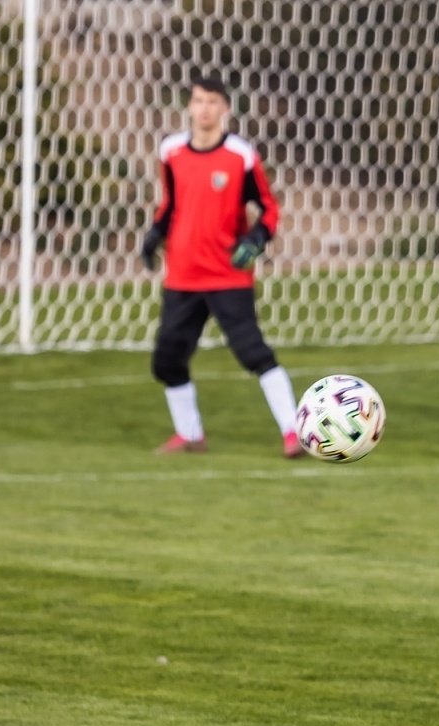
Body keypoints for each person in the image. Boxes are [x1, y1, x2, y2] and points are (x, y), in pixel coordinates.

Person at [140, 75, 303, 458]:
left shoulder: (241, 157)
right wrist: (153, 235)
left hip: (227, 275)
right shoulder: (171, 152)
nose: (205, 109)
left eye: (213, 102)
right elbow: (171, 203)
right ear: (189, 106)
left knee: (253, 353)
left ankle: (294, 433)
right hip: (182, 275)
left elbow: (269, 209)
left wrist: (256, 240)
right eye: (198, 101)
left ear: (226, 108)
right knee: (167, 360)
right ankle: (190, 434)